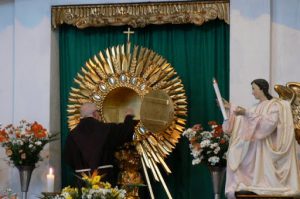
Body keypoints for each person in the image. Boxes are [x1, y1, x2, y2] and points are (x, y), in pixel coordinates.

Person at [222, 79, 300, 199]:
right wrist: (230, 108)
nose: (252, 92)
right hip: (255, 149)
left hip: (267, 148)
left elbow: (269, 124)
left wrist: (246, 113)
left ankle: (263, 182)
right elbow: (243, 119)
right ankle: (247, 181)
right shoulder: (255, 107)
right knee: (235, 153)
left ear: (261, 89)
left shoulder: (275, 105)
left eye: (254, 89)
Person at [64, 102, 138, 186]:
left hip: (82, 182)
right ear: (95, 113)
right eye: (98, 112)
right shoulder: (106, 129)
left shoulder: (72, 135)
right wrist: (129, 116)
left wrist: (82, 168)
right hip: (105, 180)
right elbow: (125, 133)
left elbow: (68, 158)